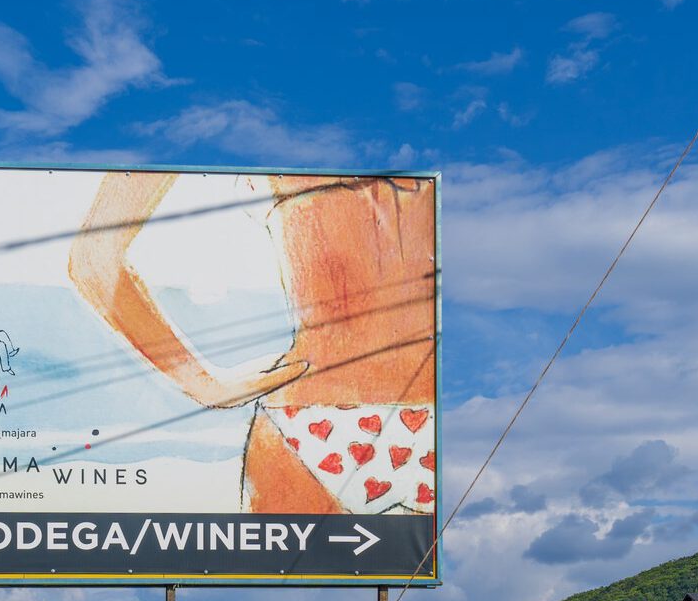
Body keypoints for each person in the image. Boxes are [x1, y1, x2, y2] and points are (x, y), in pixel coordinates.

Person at [67, 172, 436, 514]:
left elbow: (95, 260)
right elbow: (94, 260)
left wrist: (206, 386)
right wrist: (203, 385)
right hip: (317, 423)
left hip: (323, 417)